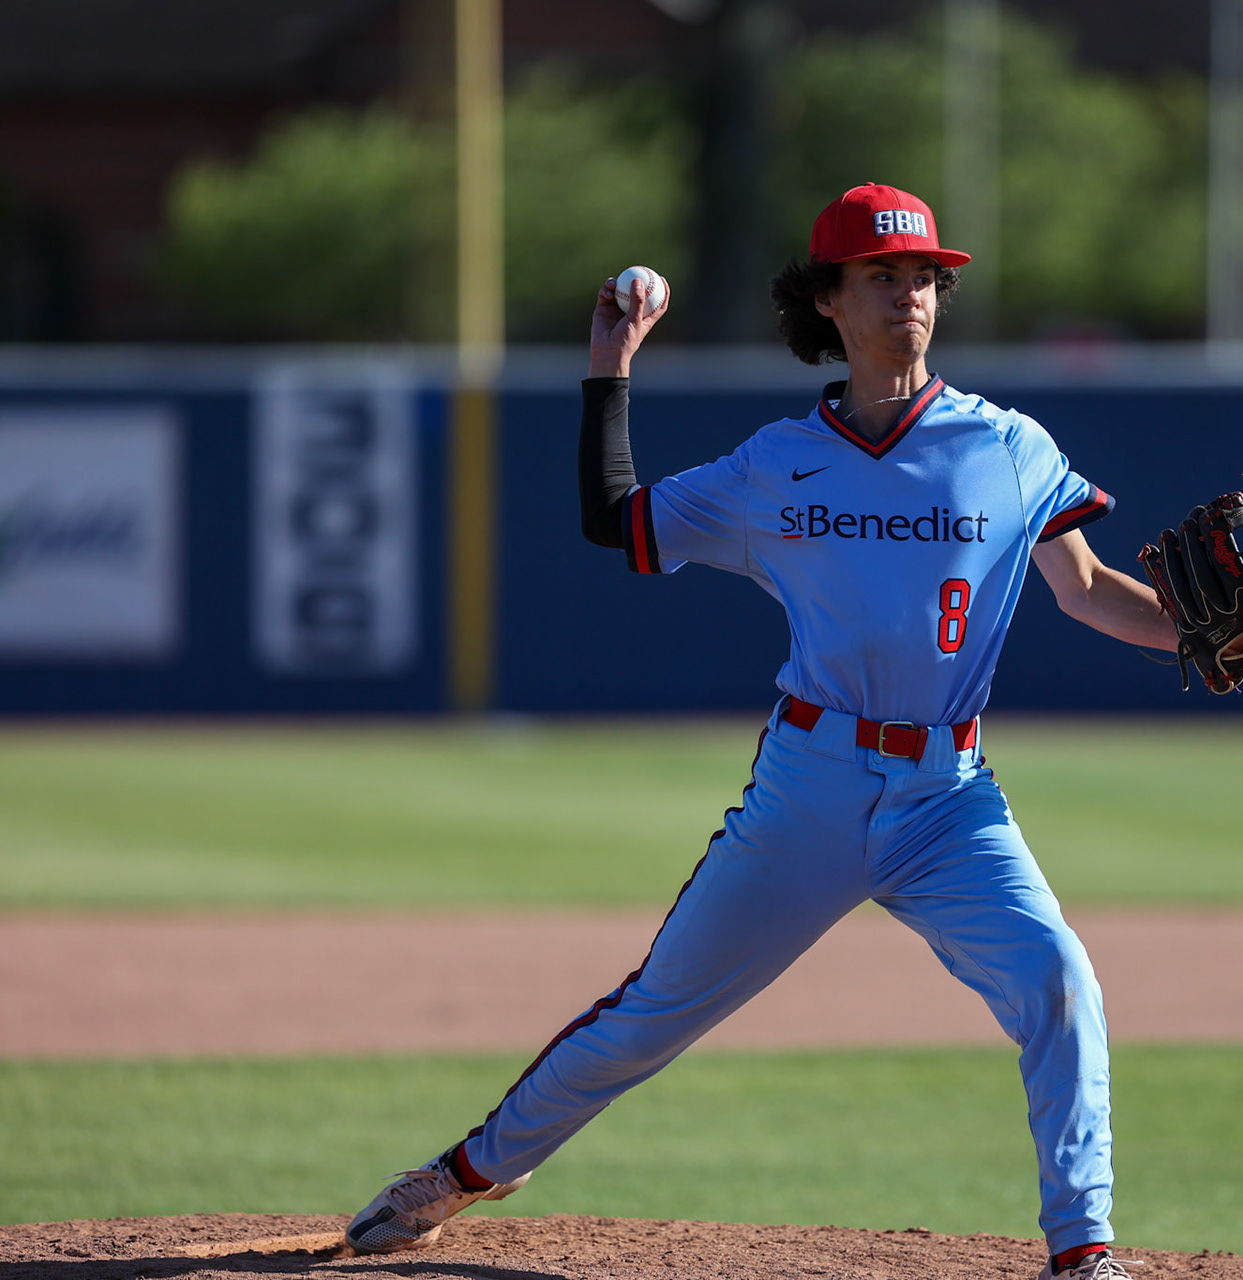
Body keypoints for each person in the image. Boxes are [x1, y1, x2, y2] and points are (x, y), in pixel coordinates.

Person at [345, 182, 1181, 1280]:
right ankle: (460, 1174)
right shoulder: (775, 464)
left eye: (926, 276)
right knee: (652, 1012)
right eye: (882, 275)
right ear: (828, 298)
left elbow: (1087, 589)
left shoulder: (1009, 446)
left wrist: (1190, 630)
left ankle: (1083, 1252)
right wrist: (610, 364)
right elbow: (616, 520)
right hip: (810, 789)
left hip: (950, 800)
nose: (911, 295)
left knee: (1061, 980)